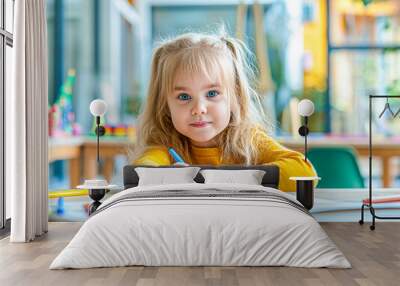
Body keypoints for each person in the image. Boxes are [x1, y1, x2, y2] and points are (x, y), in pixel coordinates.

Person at [131, 32, 317, 192]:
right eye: (184, 97)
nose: (199, 109)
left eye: (212, 93)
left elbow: (304, 171)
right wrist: (165, 176)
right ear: (165, 105)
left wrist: (232, 179)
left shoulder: (247, 140)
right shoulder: (166, 145)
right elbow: (142, 171)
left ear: (235, 97)